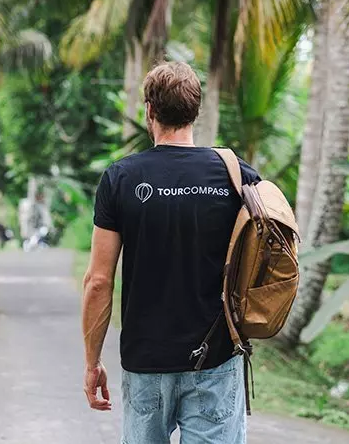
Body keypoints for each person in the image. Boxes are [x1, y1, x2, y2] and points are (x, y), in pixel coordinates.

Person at [81, 62, 260, 443]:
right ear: (195, 111)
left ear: (149, 111)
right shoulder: (236, 175)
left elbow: (98, 281)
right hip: (215, 359)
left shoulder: (120, 178)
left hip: (146, 361)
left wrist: (92, 362)